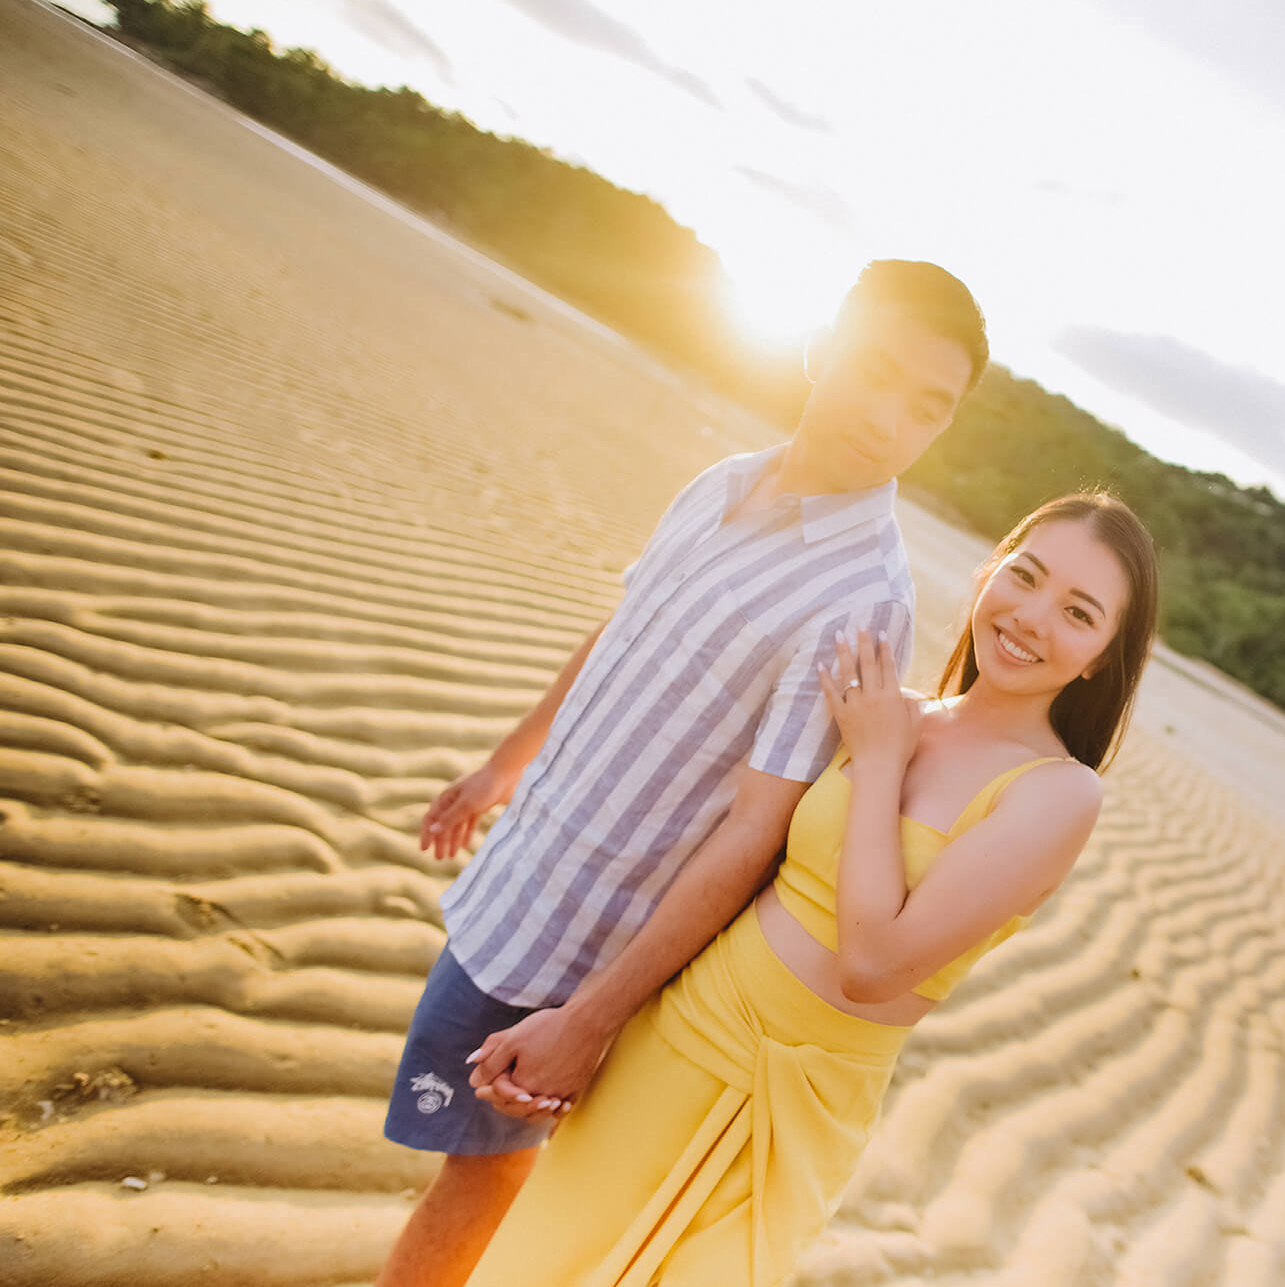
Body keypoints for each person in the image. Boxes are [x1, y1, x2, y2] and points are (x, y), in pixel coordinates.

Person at [374, 260, 989, 1287]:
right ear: (818, 345)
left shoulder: (860, 601)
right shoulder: (719, 481)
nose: (889, 419)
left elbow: (756, 832)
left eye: (925, 408)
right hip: (515, 885)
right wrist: (501, 766)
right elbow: (621, 630)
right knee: (478, 1181)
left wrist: (589, 1020)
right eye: (875, 370)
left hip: (578, 955)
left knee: (475, 1191)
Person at [461, 492, 1160, 1286]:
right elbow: (733, 841)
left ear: (1103, 654)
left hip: (799, 1107)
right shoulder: (889, 713)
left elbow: (872, 964)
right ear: (990, 570)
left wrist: (881, 763)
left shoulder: (1057, 793)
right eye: (1025, 576)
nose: (1032, 616)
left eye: (1078, 612)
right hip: (680, 1034)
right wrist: (589, 1021)